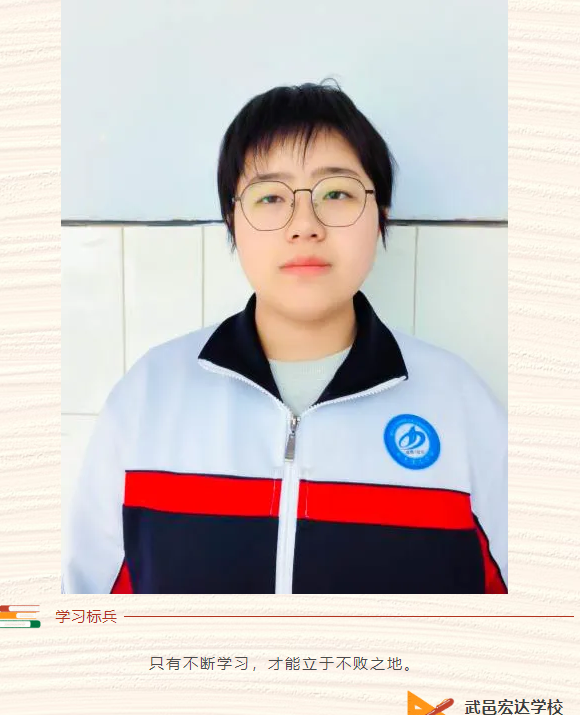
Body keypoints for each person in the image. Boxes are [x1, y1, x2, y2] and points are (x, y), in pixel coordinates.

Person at [62, 81, 508, 595]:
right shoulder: (149, 398)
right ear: (232, 221)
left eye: (336, 193)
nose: (304, 225)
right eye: (271, 197)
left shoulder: (459, 405)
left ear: (381, 216)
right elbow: (83, 607)